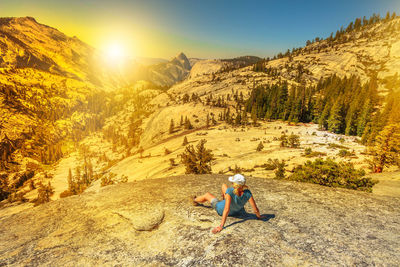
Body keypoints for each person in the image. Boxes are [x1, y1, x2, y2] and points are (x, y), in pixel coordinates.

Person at [190, 174, 265, 234]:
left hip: (220, 209)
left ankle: (194, 200)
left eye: (233, 182)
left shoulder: (230, 191)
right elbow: (255, 210)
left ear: (235, 184)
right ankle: (225, 200)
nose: (232, 183)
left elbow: (226, 209)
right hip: (237, 211)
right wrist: (259, 217)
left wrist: (221, 226)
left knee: (207, 195)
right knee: (224, 186)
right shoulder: (248, 193)